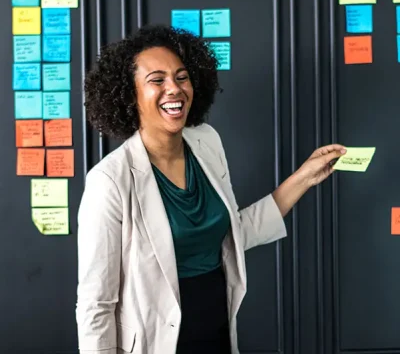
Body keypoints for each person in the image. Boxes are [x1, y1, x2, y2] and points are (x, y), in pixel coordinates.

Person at [76, 24, 346, 354]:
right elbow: (96, 302)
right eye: (157, 80)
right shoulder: (110, 180)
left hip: (217, 328)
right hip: (155, 343)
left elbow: (233, 233)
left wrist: (305, 177)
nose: (174, 89)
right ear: (130, 95)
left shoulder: (207, 142)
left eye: (181, 76)